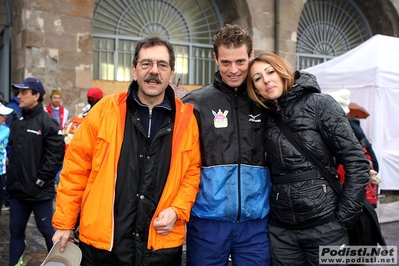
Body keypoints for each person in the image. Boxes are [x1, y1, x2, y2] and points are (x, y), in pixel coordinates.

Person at [51, 36, 201, 266]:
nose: (154, 71)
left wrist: (177, 210)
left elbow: (191, 173)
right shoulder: (104, 111)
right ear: (134, 70)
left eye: (162, 64)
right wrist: (64, 223)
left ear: (171, 73)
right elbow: (76, 168)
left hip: (159, 246)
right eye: (146, 63)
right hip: (104, 246)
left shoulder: (186, 120)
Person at [246, 52, 370, 265]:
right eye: (257, 78)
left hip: (326, 225)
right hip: (282, 231)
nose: (265, 80)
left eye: (270, 71)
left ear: (283, 71)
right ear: (254, 88)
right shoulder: (262, 116)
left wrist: (344, 219)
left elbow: (356, 162)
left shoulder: (319, 104)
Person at [182, 24, 272, 266]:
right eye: (226, 62)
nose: (234, 70)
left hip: (256, 223)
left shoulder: (267, 102)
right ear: (215, 58)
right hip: (207, 223)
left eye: (241, 61)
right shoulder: (194, 104)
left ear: (251, 56)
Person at [7, 77, 65, 266]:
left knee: (48, 231)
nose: (19, 96)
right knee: (15, 231)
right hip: (17, 193)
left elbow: (56, 156)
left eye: (24, 93)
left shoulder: (48, 123)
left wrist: (40, 180)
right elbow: (13, 153)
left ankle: (58, 263)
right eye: (18, 92)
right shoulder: (17, 122)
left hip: (40, 193)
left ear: (36, 95)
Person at [0, 103, 13, 215]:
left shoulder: (6, 130)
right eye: (2, 114)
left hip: (1, 173)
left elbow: (9, 150)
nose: (6, 117)